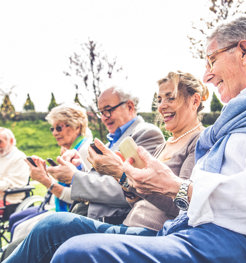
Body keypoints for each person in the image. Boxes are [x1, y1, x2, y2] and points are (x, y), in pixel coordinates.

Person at [47, 15, 246, 262]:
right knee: (52, 228)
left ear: (244, 52)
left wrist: (157, 182)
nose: (207, 76)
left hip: (211, 236)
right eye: (159, 99)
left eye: (212, 60)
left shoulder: (204, 137)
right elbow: (157, 196)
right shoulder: (227, 126)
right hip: (185, 230)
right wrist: (128, 180)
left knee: (72, 248)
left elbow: (188, 199)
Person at [1, 71, 208, 263]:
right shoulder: (166, 143)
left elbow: (183, 205)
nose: (162, 106)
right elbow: (135, 196)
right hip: (129, 223)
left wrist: (120, 173)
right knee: (38, 228)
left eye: (170, 98)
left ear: (194, 100)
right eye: (159, 99)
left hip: (151, 232)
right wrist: (124, 178)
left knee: (51, 227)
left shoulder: (196, 141)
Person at [46, 86, 165, 223]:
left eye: (108, 110)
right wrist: (80, 169)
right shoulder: (110, 142)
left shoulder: (146, 133)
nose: (104, 118)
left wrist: (74, 177)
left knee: (46, 227)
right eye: (101, 112)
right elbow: (104, 179)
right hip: (88, 215)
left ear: (130, 107)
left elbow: (132, 189)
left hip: (110, 221)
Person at [28, 103, 93, 212]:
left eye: (58, 128)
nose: (54, 133)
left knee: (19, 225)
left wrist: (45, 181)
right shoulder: (72, 149)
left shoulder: (85, 151)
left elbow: (83, 197)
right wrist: (45, 172)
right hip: (58, 208)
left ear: (77, 127)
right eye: (52, 129)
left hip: (76, 214)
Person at [0, 128, 30, 214]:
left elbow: (10, 183)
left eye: (0, 142)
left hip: (10, 199)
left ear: (11, 141)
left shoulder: (19, 158)